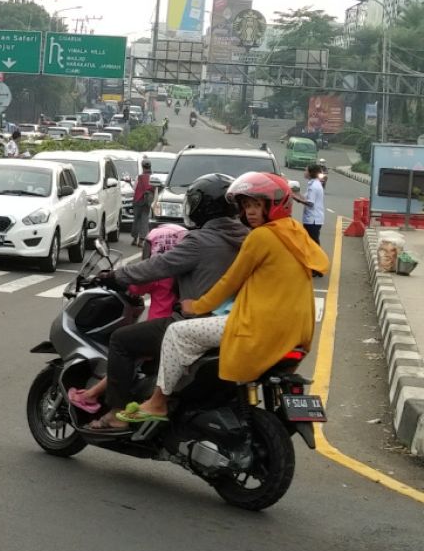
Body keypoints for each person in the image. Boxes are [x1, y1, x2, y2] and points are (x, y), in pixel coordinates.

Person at [119, 172, 329, 422]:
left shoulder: (261, 237)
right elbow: (322, 262)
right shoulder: (295, 231)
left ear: (273, 206)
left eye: (257, 206)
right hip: (299, 330)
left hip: (260, 325)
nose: (250, 212)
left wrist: (198, 306)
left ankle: (157, 403)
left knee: (177, 333)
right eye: (247, 206)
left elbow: (230, 282)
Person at [66, 174, 250, 429]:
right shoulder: (248, 237)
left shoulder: (198, 242)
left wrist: (114, 276)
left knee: (122, 340)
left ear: (203, 206)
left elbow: (156, 266)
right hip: (235, 321)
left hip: (194, 323)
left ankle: (117, 412)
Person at [130, 159, 154, 246]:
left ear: (142, 167)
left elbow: (134, 188)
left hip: (138, 200)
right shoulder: (153, 177)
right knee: (144, 219)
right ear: (150, 167)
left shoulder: (139, 177)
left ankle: (134, 238)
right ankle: (141, 240)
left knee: (136, 219)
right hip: (147, 201)